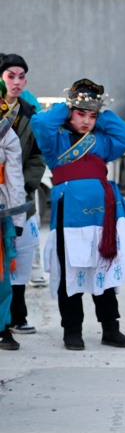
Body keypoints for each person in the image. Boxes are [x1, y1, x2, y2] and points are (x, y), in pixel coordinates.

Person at [31, 79, 125, 351]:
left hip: (102, 217)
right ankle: (72, 329)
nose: (86, 121)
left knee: (105, 270)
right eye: (81, 114)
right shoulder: (55, 140)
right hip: (69, 217)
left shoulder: (101, 140)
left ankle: (110, 327)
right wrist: (69, 106)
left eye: (91, 116)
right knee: (71, 272)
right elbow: (40, 123)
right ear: (70, 112)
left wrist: (100, 114)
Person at [0, 54, 46, 333]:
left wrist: (24, 187)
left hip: (21, 195)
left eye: (21, 77)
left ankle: (18, 313)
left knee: (21, 252)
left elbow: (37, 156)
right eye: (10, 76)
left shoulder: (30, 113)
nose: (16, 82)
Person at [0, 113, 26, 351]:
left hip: (0, 209)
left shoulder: (5, 131)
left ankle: (1, 327)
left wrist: (17, 218)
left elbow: (14, 178)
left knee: (2, 277)